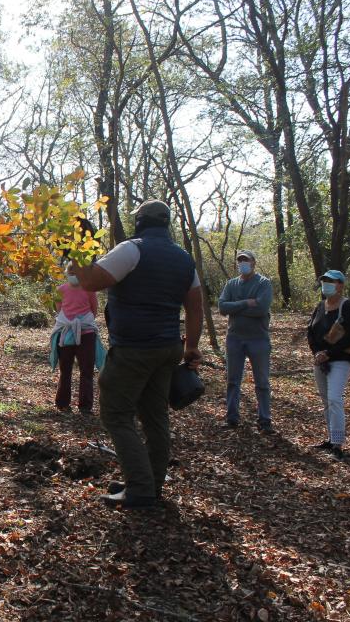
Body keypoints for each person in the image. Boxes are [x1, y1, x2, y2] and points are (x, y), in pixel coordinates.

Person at [70, 200, 203, 509]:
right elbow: (195, 306)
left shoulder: (132, 249)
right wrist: (191, 346)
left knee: (116, 415)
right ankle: (150, 483)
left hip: (134, 349)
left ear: (140, 222)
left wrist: (75, 249)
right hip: (167, 349)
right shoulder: (184, 259)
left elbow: (89, 281)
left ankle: (140, 488)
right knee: (155, 418)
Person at [307, 270, 350, 461]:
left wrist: (329, 353)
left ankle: (338, 444)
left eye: (331, 281)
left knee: (334, 398)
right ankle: (331, 439)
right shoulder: (319, 307)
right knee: (325, 401)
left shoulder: (346, 306)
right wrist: (317, 353)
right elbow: (310, 332)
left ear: (340, 285)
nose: (326, 284)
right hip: (321, 361)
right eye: (324, 281)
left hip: (341, 359)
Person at [217, 249, 274, 432]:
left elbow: (262, 308)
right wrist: (245, 303)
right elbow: (222, 307)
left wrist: (236, 308)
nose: (243, 263)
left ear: (253, 263)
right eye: (240, 261)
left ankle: (265, 420)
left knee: (262, 383)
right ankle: (232, 418)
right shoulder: (231, 284)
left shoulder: (264, 283)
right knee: (233, 380)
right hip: (234, 338)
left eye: (246, 260)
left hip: (258, 339)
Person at [51, 267, 99, 414]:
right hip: (66, 334)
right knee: (65, 369)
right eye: (71, 273)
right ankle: (62, 403)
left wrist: (81, 322)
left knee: (87, 370)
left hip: (87, 333)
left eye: (76, 273)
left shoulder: (90, 289)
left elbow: (94, 309)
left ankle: (85, 406)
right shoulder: (60, 290)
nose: (74, 275)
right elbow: (59, 309)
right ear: (67, 274)